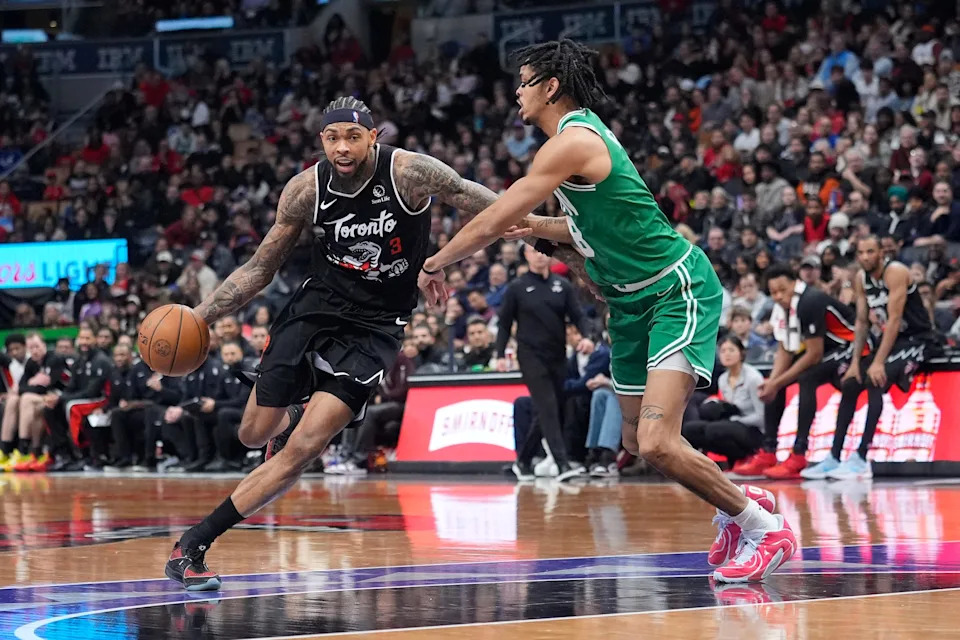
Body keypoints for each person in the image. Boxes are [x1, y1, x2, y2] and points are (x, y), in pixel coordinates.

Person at [417, 40, 795, 583]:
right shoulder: (572, 141)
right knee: (635, 442)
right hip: (627, 304)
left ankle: (763, 527)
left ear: (550, 86)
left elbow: (496, 215)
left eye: (524, 82)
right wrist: (543, 227)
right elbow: (598, 223)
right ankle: (736, 501)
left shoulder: (572, 141)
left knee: (661, 441)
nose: (516, 92)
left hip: (674, 289)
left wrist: (435, 261)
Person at [165, 96, 507, 591]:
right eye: (332, 137)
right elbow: (261, 267)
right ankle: (292, 416)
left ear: (374, 136)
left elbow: (487, 203)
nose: (342, 147)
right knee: (252, 436)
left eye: (353, 135)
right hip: (314, 310)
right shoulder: (306, 189)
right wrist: (200, 314)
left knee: (303, 450)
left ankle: (191, 546)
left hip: (376, 325)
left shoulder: (411, 173)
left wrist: (547, 235)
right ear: (321, 140)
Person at [802, 236, 939, 481]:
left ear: (881, 253)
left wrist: (877, 362)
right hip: (892, 341)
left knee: (874, 379)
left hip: (918, 340)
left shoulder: (895, 272)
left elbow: (895, 320)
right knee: (851, 382)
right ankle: (834, 456)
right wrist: (856, 362)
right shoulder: (861, 279)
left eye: (871, 251)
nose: (865, 256)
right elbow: (862, 322)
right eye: (862, 252)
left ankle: (861, 459)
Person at [733, 264, 860, 479]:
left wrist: (778, 382)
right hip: (825, 349)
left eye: (783, 290)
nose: (778, 296)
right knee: (775, 382)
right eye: (773, 292)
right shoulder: (780, 308)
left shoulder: (809, 301)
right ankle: (769, 450)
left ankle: (799, 453)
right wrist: (773, 382)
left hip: (850, 346)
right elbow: (785, 349)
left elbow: (814, 355)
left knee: (806, 378)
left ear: (795, 283)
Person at [495, 244, 593, 482]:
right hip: (530, 356)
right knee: (548, 405)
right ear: (526, 256)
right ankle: (562, 464)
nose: (539, 255)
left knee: (550, 409)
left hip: (557, 355)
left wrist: (588, 337)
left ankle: (523, 461)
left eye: (542, 251)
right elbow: (504, 324)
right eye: (533, 251)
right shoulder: (516, 288)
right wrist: (499, 355)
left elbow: (578, 315)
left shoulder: (563, 286)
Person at [682, 337, 764, 468]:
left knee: (714, 429)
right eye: (723, 351)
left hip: (754, 430)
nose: (727, 354)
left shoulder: (753, 378)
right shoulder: (723, 379)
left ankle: (748, 456)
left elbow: (761, 418)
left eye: (731, 350)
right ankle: (700, 465)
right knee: (690, 429)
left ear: (741, 353)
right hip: (732, 424)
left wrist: (735, 420)